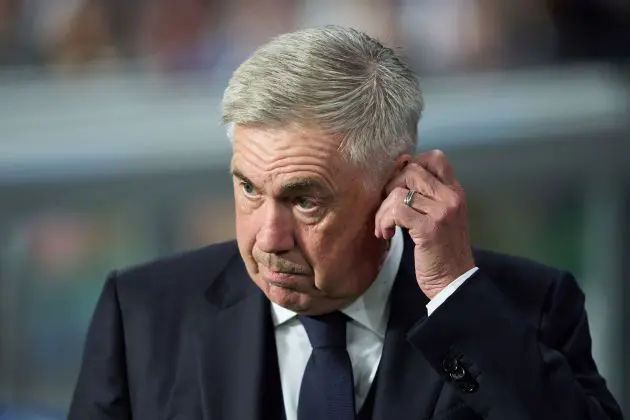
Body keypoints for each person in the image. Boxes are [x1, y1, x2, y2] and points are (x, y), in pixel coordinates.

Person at [68, 26, 623, 420]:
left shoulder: (526, 309)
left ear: (397, 187)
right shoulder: (140, 313)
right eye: (248, 188)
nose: (268, 238)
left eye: (305, 201)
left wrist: (451, 292)